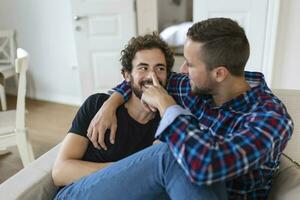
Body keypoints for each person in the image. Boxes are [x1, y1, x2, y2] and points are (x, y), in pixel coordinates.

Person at [86, 17, 294, 199]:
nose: (182, 70)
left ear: (219, 74)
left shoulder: (271, 119)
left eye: (189, 64)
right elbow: (146, 81)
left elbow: (206, 165)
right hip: (171, 190)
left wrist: (167, 107)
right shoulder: (194, 86)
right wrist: (111, 102)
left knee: (169, 154)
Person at [52, 33, 173, 187]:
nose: (153, 76)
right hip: (82, 191)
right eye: (143, 68)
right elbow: (60, 172)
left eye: (160, 68)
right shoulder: (97, 105)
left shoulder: (166, 125)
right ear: (127, 75)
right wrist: (123, 171)